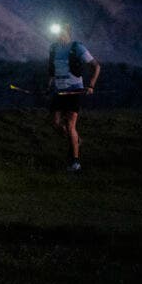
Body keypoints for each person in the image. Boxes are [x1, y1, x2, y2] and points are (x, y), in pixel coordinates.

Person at [48, 23, 100, 172]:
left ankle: (75, 162)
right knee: (56, 123)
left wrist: (91, 86)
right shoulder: (53, 48)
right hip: (59, 92)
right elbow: (51, 70)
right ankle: (77, 140)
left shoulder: (77, 47)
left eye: (60, 33)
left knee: (71, 126)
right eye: (56, 33)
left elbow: (96, 66)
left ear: (67, 32)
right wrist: (49, 86)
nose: (58, 36)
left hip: (74, 91)